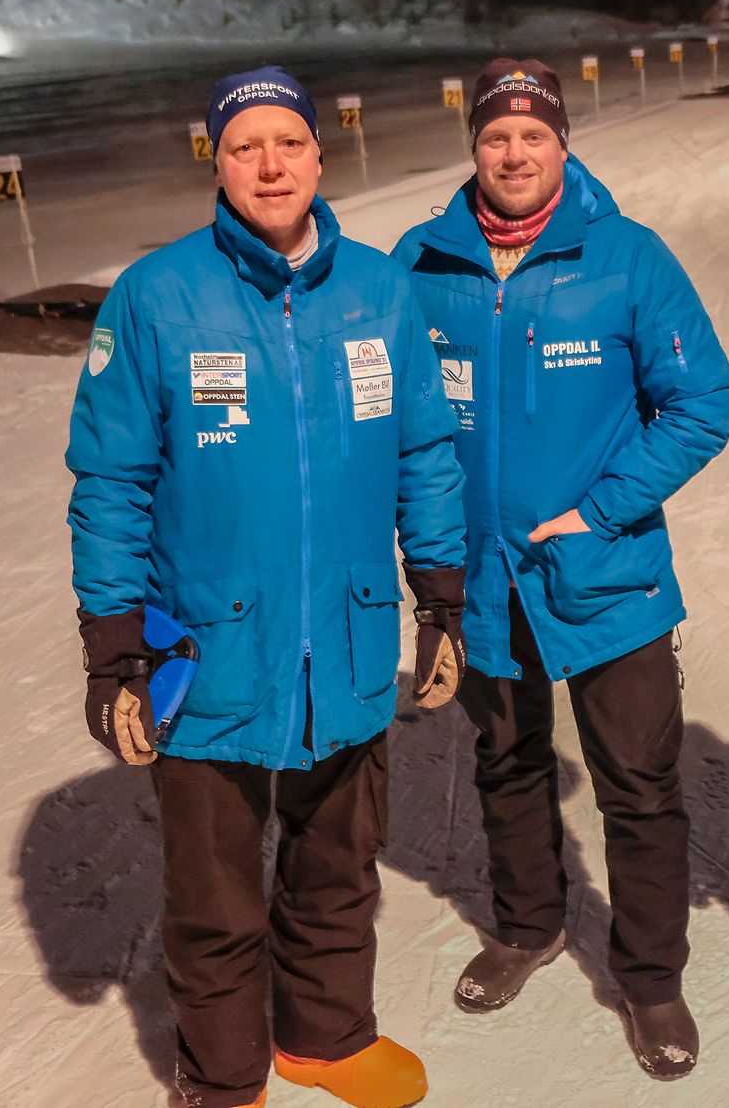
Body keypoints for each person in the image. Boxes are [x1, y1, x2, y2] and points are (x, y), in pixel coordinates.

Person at [67, 65, 470, 1108]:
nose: (270, 163)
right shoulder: (157, 295)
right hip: (205, 651)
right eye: (245, 146)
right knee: (213, 896)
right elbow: (110, 481)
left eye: (287, 142)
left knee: (339, 865)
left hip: (341, 639)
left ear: (319, 156)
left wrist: (438, 603)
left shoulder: (380, 289)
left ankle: (325, 1038)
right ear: (217, 160)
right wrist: (114, 649)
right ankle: (223, 1077)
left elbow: (424, 453)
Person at [393, 59, 729, 1081]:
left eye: (531, 135)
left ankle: (647, 976)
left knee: (637, 782)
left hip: (607, 576)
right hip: (479, 580)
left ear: (561, 144)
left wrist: (601, 509)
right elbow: (398, 420)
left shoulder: (625, 258)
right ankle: (526, 924)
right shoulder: (420, 263)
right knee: (506, 762)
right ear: (473, 146)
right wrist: (428, 564)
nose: (512, 152)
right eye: (494, 136)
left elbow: (703, 401)